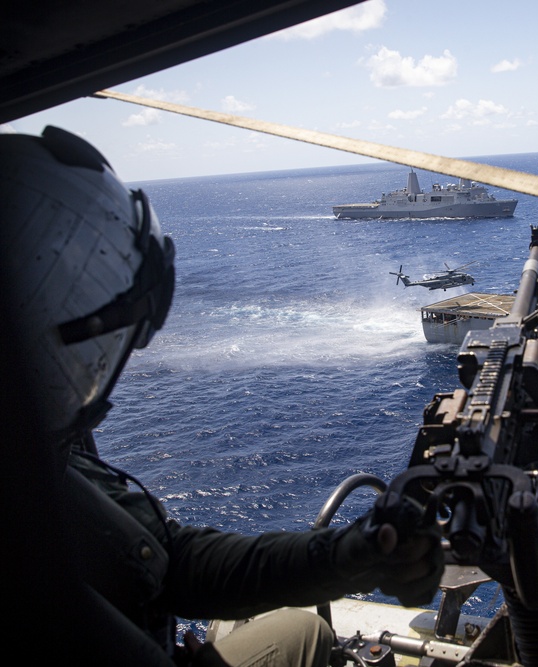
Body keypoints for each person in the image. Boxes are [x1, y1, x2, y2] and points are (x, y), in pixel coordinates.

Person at [0, 127, 444, 666]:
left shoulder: (45, 457)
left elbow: (174, 562)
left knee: (297, 628)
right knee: (307, 638)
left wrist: (346, 556)